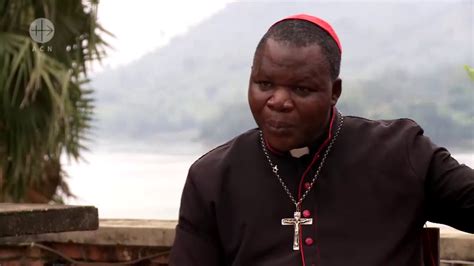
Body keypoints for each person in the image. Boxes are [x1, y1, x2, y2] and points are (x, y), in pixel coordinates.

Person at [169, 14, 474, 266]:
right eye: (264, 84)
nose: (278, 101)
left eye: (300, 89)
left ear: (334, 92)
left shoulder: (402, 152)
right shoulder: (211, 178)